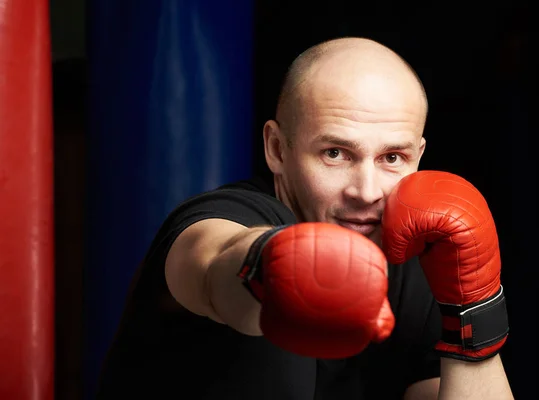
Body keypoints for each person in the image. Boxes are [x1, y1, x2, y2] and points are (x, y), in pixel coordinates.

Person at [96, 37, 514, 399]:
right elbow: (214, 263)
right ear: (277, 149)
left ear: (419, 158)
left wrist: (472, 307)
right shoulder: (224, 217)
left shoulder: (418, 259)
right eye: (335, 153)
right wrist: (270, 265)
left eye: (392, 157)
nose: (366, 191)